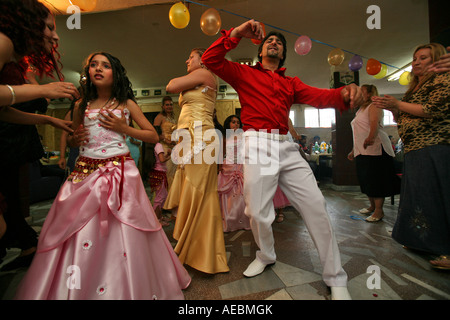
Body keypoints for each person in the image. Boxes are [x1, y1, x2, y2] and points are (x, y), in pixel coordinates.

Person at [202, 19, 363, 299]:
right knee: (256, 212)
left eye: (279, 42)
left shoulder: (291, 83)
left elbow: (319, 96)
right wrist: (238, 32)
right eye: (269, 41)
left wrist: (343, 94)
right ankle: (266, 255)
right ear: (260, 50)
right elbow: (210, 58)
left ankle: (336, 277)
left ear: (283, 54)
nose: (274, 43)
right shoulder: (243, 74)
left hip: (286, 146)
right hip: (258, 144)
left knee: (316, 206)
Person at [14, 52, 190, 299]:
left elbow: (152, 135)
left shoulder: (126, 104)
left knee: (126, 228)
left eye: (105, 65)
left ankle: (127, 282)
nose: (98, 68)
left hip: (120, 172)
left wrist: (123, 128)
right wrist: (75, 139)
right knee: (80, 229)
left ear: (115, 73)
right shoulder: (80, 106)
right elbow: (74, 135)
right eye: (93, 65)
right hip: (85, 173)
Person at [0, 0, 78, 270]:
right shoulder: (3, 42)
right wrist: (43, 91)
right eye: (48, 27)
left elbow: (3, 112)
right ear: (29, 24)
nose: (55, 35)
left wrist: (47, 119)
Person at [371, 43, 450, 270]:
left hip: (436, 145)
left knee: (439, 196)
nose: (416, 62)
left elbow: (433, 109)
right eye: (415, 58)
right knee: (419, 195)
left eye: (423, 58)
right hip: (415, 147)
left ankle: (446, 248)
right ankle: (421, 241)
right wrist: (395, 110)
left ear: (437, 60)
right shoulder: (415, 87)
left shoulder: (443, 79)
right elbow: (404, 118)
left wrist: (397, 104)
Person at [163, 47, 229, 274]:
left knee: (199, 190)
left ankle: (196, 250)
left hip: (200, 137)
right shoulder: (198, 78)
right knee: (195, 189)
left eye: (191, 57)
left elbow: (170, 86)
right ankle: (198, 250)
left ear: (203, 61)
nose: (187, 60)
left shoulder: (203, 74)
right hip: (191, 137)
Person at [347, 84, 400, 222]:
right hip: (362, 150)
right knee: (366, 179)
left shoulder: (374, 106)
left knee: (376, 180)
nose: (358, 94)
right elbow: (358, 132)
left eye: (361, 92)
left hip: (375, 148)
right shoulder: (360, 110)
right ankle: (371, 206)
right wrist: (354, 149)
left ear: (370, 94)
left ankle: (379, 210)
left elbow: (374, 123)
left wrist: (370, 138)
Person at [218, 114, 249, 232]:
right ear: (228, 124)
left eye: (237, 122)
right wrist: (220, 165)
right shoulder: (225, 137)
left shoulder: (243, 136)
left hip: (241, 165)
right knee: (229, 194)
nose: (236, 124)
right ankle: (229, 219)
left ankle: (243, 219)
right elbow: (221, 152)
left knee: (242, 192)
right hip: (228, 167)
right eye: (233, 122)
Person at [145, 125, 171, 227]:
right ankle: (156, 220)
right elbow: (162, 160)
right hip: (160, 173)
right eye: (162, 133)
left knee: (161, 196)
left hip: (155, 172)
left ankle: (159, 217)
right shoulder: (158, 145)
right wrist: (169, 155)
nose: (164, 135)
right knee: (160, 197)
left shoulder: (152, 145)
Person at [153, 96, 177, 189]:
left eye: (171, 104)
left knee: (174, 172)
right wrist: (166, 140)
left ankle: (173, 197)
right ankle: (166, 199)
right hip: (164, 147)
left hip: (174, 147)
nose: (169, 106)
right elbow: (156, 133)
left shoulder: (173, 118)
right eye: (167, 105)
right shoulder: (159, 117)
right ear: (163, 106)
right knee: (168, 173)